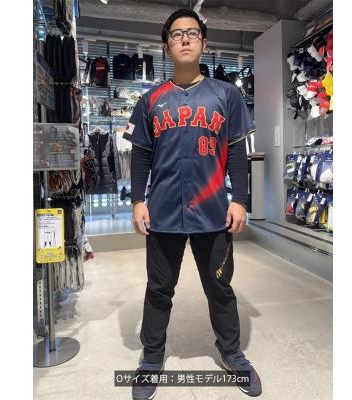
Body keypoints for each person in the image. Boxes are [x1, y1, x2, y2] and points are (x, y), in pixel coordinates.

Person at [124, 8, 262, 399]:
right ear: (166, 46)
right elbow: (140, 155)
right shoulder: (150, 100)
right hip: (164, 212)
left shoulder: (226, 95)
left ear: (204, 42)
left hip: (213, 212)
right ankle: (152, 358)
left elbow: (236, 152)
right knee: (158, 289)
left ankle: (232, 353)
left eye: (192, 32)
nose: (184, 38)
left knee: (219, 287)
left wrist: (240, 199)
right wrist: (138, 200)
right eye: (176, 33)